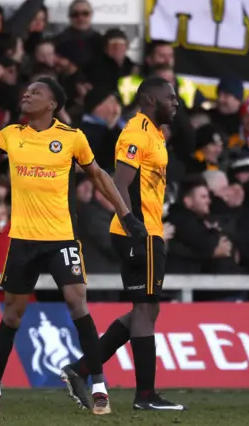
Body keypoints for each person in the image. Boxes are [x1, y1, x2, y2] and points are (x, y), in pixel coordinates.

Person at [0, 77, 147, 416]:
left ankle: (98, 386)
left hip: (62, 237)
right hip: (23, 239)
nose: (27, 94)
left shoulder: (71, 138)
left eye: (36, 92)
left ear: (51, 105)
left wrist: (126, 215)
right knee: (13, 314)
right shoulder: (12, 134)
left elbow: (98, 175)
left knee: (78, 303)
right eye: (27, 90)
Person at [61, 77, 187, 411]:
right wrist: (134, 225)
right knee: (146, 311)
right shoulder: (135, 134)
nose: (175, 102)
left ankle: (81, 369)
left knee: (146, 310)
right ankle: (145, 396)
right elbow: (119, 183)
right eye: (169, 97)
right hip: (139, 233)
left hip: (148, 232)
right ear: (149, 99)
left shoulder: (154, 134)